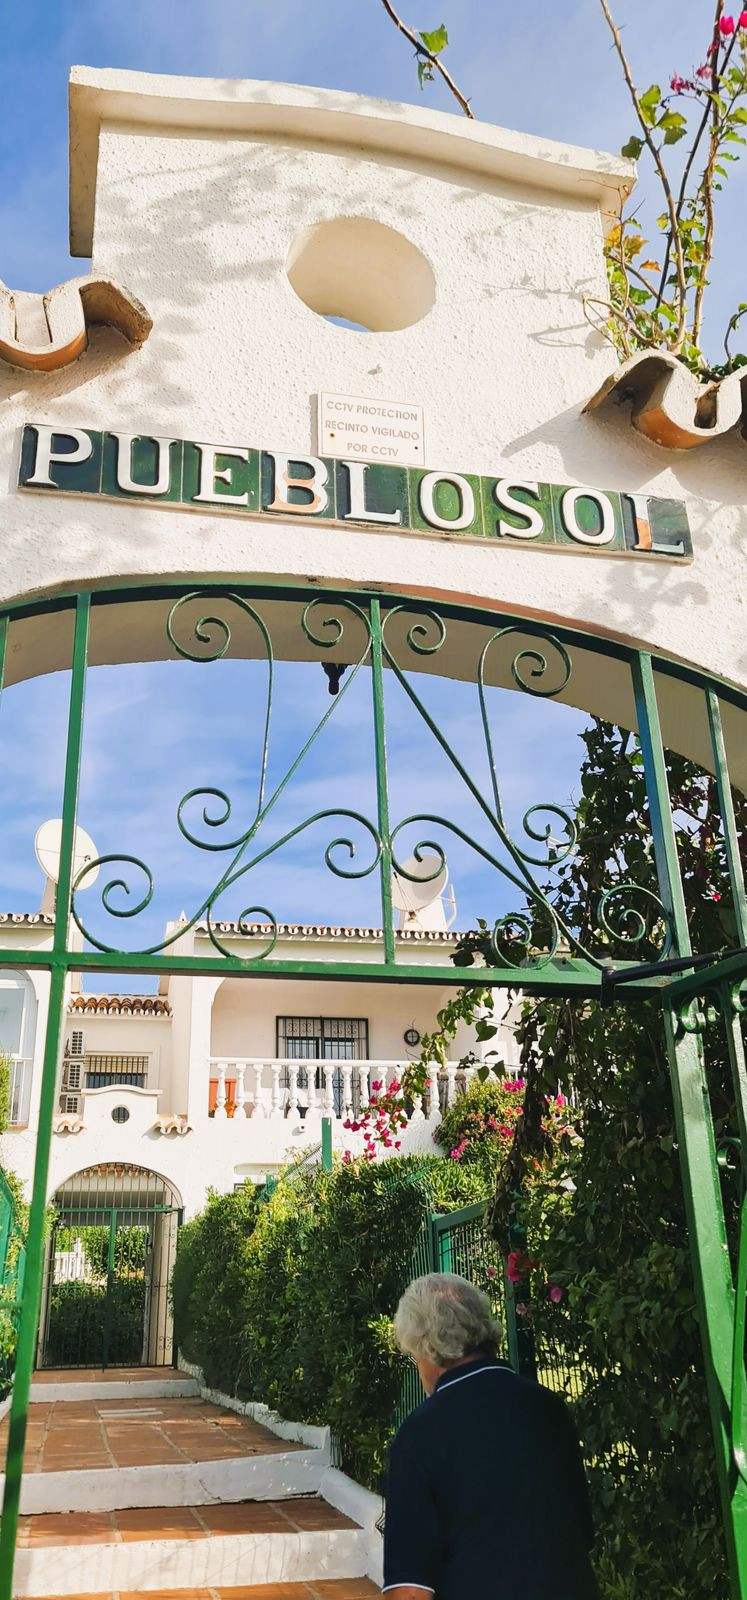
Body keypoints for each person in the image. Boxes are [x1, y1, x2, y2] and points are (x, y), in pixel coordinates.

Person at [383, 1272, 598, 1600]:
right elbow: (581, 1531)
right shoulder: (547, 1407)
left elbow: (410, 1590)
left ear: (426, 1346)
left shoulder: (420, 1433)